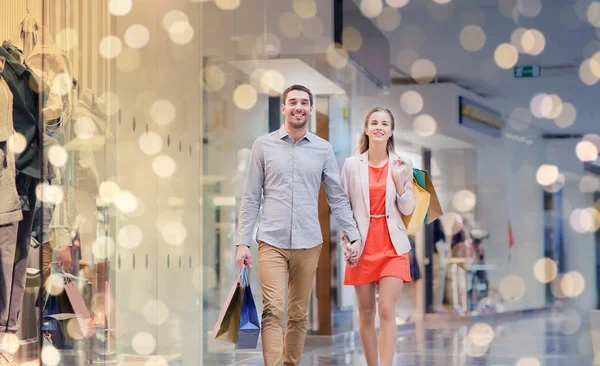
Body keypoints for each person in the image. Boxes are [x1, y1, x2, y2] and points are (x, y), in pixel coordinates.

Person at [235, 84, 362, 366]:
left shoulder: (323, 149)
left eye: (304, 102)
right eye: (293, 102)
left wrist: (352, 235)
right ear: (283, 108)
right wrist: (242, 241)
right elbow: (251, 197)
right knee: (273, 309)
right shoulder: (263, 145)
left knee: (298, 313)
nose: (298, 107)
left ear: (310, 109)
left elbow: (337, 198)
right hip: (271, 241)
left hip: (309, 243)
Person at [340, 107, 415, 366]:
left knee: (386, 310)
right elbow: (343, 208)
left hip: (393, 246)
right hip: (362, 246)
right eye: (374, 122)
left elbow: (408, 209)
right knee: (366, 313)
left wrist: (401, 182)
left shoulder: (401, 165)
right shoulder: (351, 165)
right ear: (366, 128)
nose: (379, 127)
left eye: (384, 123)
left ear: (391, 130)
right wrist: (347, 239)